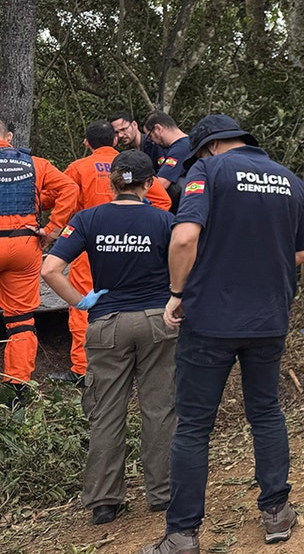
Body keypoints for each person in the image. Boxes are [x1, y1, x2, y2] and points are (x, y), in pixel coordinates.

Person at [138, 115, 304, 553]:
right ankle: (277, 513)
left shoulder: (208, 170)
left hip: (210, 319)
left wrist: (176, 293)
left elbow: (184, 239)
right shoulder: (289, 179)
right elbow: (301, 252)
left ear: (209, 146)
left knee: (194, 426)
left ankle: (182, 534)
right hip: (269, 317)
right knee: (266, 413)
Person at [42, 150, 177, 526]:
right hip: (157, 322)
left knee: (106, 411)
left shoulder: (88, 219)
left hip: (107, 323)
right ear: (149, 184)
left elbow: (50, 269)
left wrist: (81, 302)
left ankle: (104, 501)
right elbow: (189, 262)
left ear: (111, 182)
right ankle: (163, 493)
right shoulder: (165, 220)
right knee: (160, 408)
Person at [51, 122, 172, 387]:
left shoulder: (78, 168)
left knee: (83, 307)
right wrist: (144, 222)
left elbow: (62, 198)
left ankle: (83, 369)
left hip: (89, 247)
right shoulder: (138, 169)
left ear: (86, 143)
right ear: (115, 141)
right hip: (138, 248)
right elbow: (163, 202)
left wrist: (55, 229)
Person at [0, 118, 79, 406]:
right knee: (20, 320)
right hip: (24, 245)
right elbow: (70, 189)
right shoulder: (35, 164)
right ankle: (16, 391)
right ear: (8, 137)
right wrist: (52, 230)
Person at [143, 112, 190, 209]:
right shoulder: (182, 145)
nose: (152, 141)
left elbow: (161, 184)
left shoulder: (181, 149)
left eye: (150, 136)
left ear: (158, 129)